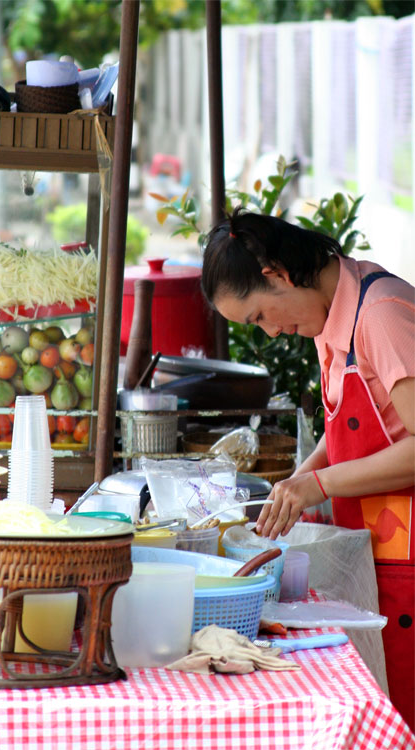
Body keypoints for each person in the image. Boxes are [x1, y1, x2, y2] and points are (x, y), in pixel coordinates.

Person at [201, 207, 415, 731]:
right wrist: (296, 482)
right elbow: (349, 433)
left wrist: (317, 483)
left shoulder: (382, 314)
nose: (271, 332)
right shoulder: (330, 316)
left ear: (277, 274)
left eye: (258, 317)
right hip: (381, 557)